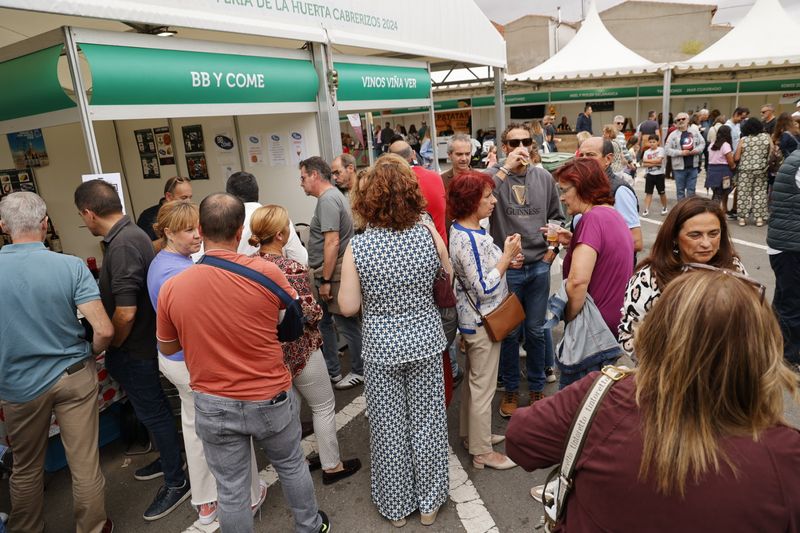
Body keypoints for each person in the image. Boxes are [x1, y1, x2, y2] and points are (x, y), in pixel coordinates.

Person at [509, 268, 800, 532]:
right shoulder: (785, 455)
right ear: (764, 350)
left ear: (655, 333)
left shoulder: (604, 396)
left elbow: (521, 440)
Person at [156, 193, 329, 533]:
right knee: (291, 465)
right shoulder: (268, 274)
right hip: (268, 394)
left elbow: (169, 345)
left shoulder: (173, 288)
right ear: (239, 232)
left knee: (232, 489)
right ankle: (310, 526)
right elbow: (291, 328)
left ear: (201, 229)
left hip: (213, 400)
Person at [338, 154, 449, 528]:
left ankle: (397, 506)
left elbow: (349, 305)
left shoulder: (359, 247)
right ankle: (430, 502)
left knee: (388, 429)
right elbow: (447, 274)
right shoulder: (426, 231)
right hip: (425, 339)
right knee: (427, 423)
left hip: (382, 345)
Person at [74, 179, 190, 521]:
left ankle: (176, 479)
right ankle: (171, 460)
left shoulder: (123, 244)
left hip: (135, 348)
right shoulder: (132, 233)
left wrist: (115, 344)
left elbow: (125, 312)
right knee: (153, 412)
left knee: (154, 412)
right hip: (142, 345)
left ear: (88, 213)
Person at [0, 192, 114, 533]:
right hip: (73, 375)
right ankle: (93, 528)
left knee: (26, 467)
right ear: (46, 223)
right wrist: (92, 352)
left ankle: (27, 528)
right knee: (85, 463)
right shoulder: (70, 266)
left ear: (3, 226)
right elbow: (104, 330)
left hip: (19, 385)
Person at [146, 200, 266, 525]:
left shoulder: (164, 263)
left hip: (177, 360)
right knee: (232, 429)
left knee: (195, 430)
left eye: (197, 227)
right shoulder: (180, 271)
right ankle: (249, 495)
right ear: (168, 232)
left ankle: (206, 501)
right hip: (195, 362)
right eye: (188, 230)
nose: (197, 235)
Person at [249, 205, 362, 485]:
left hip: (271, 352)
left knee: (290, 413)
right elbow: (309, 311)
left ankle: (298, 461)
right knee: (323, 406)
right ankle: (331, 466)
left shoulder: (249, 265)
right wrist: (322, 313)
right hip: (301, 348)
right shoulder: (291, 268)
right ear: (279, 234)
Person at [485, 123, 564, 417]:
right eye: (513, 142)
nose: (521, 147)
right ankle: (509, 389)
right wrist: (503, 168)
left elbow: (558, 217)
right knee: (508, 332)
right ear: (504, 147)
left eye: (525, 141)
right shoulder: (495, 178)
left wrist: (551, 252)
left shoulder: (543, 176)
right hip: (510, 270)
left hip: (538, 267)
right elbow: (477, 193)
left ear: (533, 144)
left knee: (536, 329)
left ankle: (536, 386)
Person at [449, 172, 521, 470]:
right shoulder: (469, 238)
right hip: (483, 321)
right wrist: (506, 258)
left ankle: (472, 436)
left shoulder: (461, 229)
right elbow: (484, 286)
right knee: (483, 387)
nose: (493, 201)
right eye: (487, 196)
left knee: (474, 384)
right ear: (470, 202)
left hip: (473, 320)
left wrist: (505, 259)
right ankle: (481, 452)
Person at [619, 197, 744, 360]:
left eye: (713, 234)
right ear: (674, 237)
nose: (706, 243)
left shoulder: (733, 268)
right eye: (695, 235)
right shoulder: (650, 277)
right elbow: (628, 335)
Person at [300, 156, 364, 389]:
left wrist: (326, 280)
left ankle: (359, 370)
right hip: (328, 272)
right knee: (325, 323)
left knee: (345, 324)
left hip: (332, 274)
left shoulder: (328, 200)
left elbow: (332, 242)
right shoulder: (332, 197)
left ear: (315, 175)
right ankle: (333, 370)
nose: (301, 183)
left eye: (303, 177)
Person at [556, 158, 633, 349]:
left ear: (583, 187)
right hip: (613, 320)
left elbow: (577, 282)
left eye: (564, 190)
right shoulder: (611, 214)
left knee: (583, 380)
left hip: (594, 327)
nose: (562, 198)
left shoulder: (591, 219)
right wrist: (574, 242)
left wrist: (570, 319)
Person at [578, 137, 643, 255]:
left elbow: (635, 241)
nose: (584, 159)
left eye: (590, 155)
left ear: (608, 159)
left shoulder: (619, 190)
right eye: (581, 155)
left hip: (609, 270)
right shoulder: (585, 186)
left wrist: (590, 249)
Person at [226, 171, 308, 262]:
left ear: (229, 197)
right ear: (257, 192)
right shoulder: (278, 218)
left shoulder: (222, 223)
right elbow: (300, 259)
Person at [768, 147, 800, 370]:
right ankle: (788, 356)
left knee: (783, 300)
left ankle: (772, 345)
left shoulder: (796, 157)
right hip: (790, 244)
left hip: (786, 243)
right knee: (792, 303)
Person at [389, 140, 447, 244]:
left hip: (414, 250)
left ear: (389, 160)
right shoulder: (436, 177)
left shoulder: (391, 184)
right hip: (440, 244)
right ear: (413, 155)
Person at [734, 117, 771, 227]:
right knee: (759, 193)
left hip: (745, 170)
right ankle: (759, 219)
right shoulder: (766, 137)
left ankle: (742, 218)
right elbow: (772, 152)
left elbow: (736, 157)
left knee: (743, 193)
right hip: (761, 169)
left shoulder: (744, 140)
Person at [136, 176, 193, 243]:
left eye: (190, 197)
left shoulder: (191, 213)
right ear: (168, 197)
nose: (189, 202)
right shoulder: (147, 217)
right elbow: (144, 249)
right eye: (184, 198)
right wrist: (170, 239)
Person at [665, 112, 705, 200]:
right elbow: (667, 150)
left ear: (688, 120)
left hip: (693, 167)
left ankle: (690, 211)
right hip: (679, 169)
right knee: (680, 191)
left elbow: (702, 144)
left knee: (691, 191)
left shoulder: (695, 132)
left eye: (683, 119)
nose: (681, 121)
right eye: (678, 120)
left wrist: (696, 150)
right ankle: (682, 211)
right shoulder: (673, 135)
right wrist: (681, 153)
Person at [706, 125, 736, 215]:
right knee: (719, 194)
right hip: (723, 171)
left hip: (712, 171)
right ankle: (713, 214)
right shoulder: (725, 145)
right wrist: (734, 166)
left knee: (716, 194)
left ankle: (714, 212)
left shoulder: (712, 144)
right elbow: (730, 160)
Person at [641, 135, 667, 216]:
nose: (652, 144)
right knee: (648, 193)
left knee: (661, 192)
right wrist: (654, 162)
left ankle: (664, 207)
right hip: (650, 175)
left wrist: (648, 161)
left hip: (659, 175)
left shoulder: (661, 150)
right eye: (650, 142)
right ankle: (646, 209)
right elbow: (644, 164)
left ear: (657, 142)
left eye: (654, 142)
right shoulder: (646, 152)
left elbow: (659, 161)